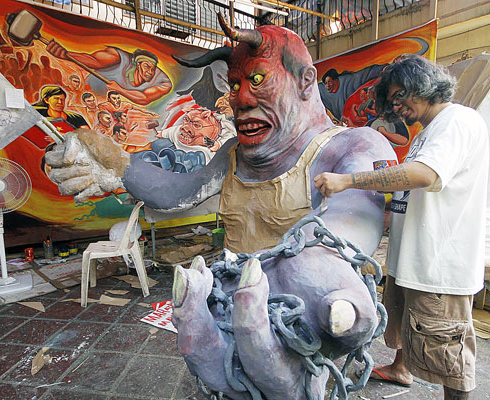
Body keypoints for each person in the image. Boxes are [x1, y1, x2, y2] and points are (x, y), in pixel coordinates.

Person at [45, 17, 396, 399]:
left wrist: (314, 275)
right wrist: (118, 165)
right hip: (229, 312)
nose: (240, 99)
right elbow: (178, 193)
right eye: (235, 84)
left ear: (305, 82)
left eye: (258, 79)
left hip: (304, 319)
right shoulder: (234, 155)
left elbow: (350, 225)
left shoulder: (354, 146)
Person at [314, 55, 489, 400]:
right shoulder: (427, 133)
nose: (397, 106)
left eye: (400, 96)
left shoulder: (457, 121)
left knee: (449, 354)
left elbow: (426, 175)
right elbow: (415, 191)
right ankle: (401, 368)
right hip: (414, 257)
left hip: (439, 266)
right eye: (392, 100)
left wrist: (348, 180)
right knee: (413, 327)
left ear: (422, 85)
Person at [46, 41, 172, 105]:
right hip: (90, 90)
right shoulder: (118, 58)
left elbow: (145, 98)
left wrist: (119, 89)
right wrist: (66, 55)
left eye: (153, 68)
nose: (150, 72)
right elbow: (94, 61)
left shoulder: (163, 82)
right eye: (146, 66)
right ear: (138, 65)